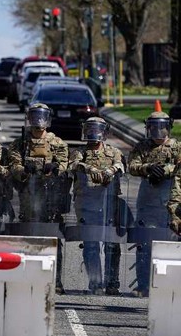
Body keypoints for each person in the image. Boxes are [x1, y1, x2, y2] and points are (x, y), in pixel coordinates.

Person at [8, 103, 69, 294]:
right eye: (35, 117)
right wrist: (25, 170)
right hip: (28, 196)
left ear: (48, 120)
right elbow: (13, 165)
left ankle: (56, 280)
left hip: (52, 196)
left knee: (53, 239)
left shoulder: (57, 142)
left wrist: (54, 168)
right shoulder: (20, 143)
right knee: (28, 236)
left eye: (42, 117)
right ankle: (25, 276)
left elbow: (65, 164)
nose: (38, 122)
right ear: (29, 118)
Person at [69, 117, 125, 295]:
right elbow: (73, 165)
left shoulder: (113, 152)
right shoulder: (80, 152)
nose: (94, 133)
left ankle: (112, 282)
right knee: (91, 244)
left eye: (97, 129)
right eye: (90, 129)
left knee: (112, 244)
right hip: (86, 203)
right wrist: (89, 169)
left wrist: (112, 170)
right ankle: (95, 281)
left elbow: (122, 164)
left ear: (104, 132)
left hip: (109, 202)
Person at [132, 111, 181, 297]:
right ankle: (143, 285)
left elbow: (179, 166)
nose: (158, 131)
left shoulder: (176, 147)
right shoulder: (142, 147)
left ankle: (167, 284)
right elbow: (132, 165)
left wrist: (165, 170)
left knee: (170, 241)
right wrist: (148, 168)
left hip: (170, 199)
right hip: (148, 200)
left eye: (162, 127)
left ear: (168, 127)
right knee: (144, 243)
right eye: (153, 127)